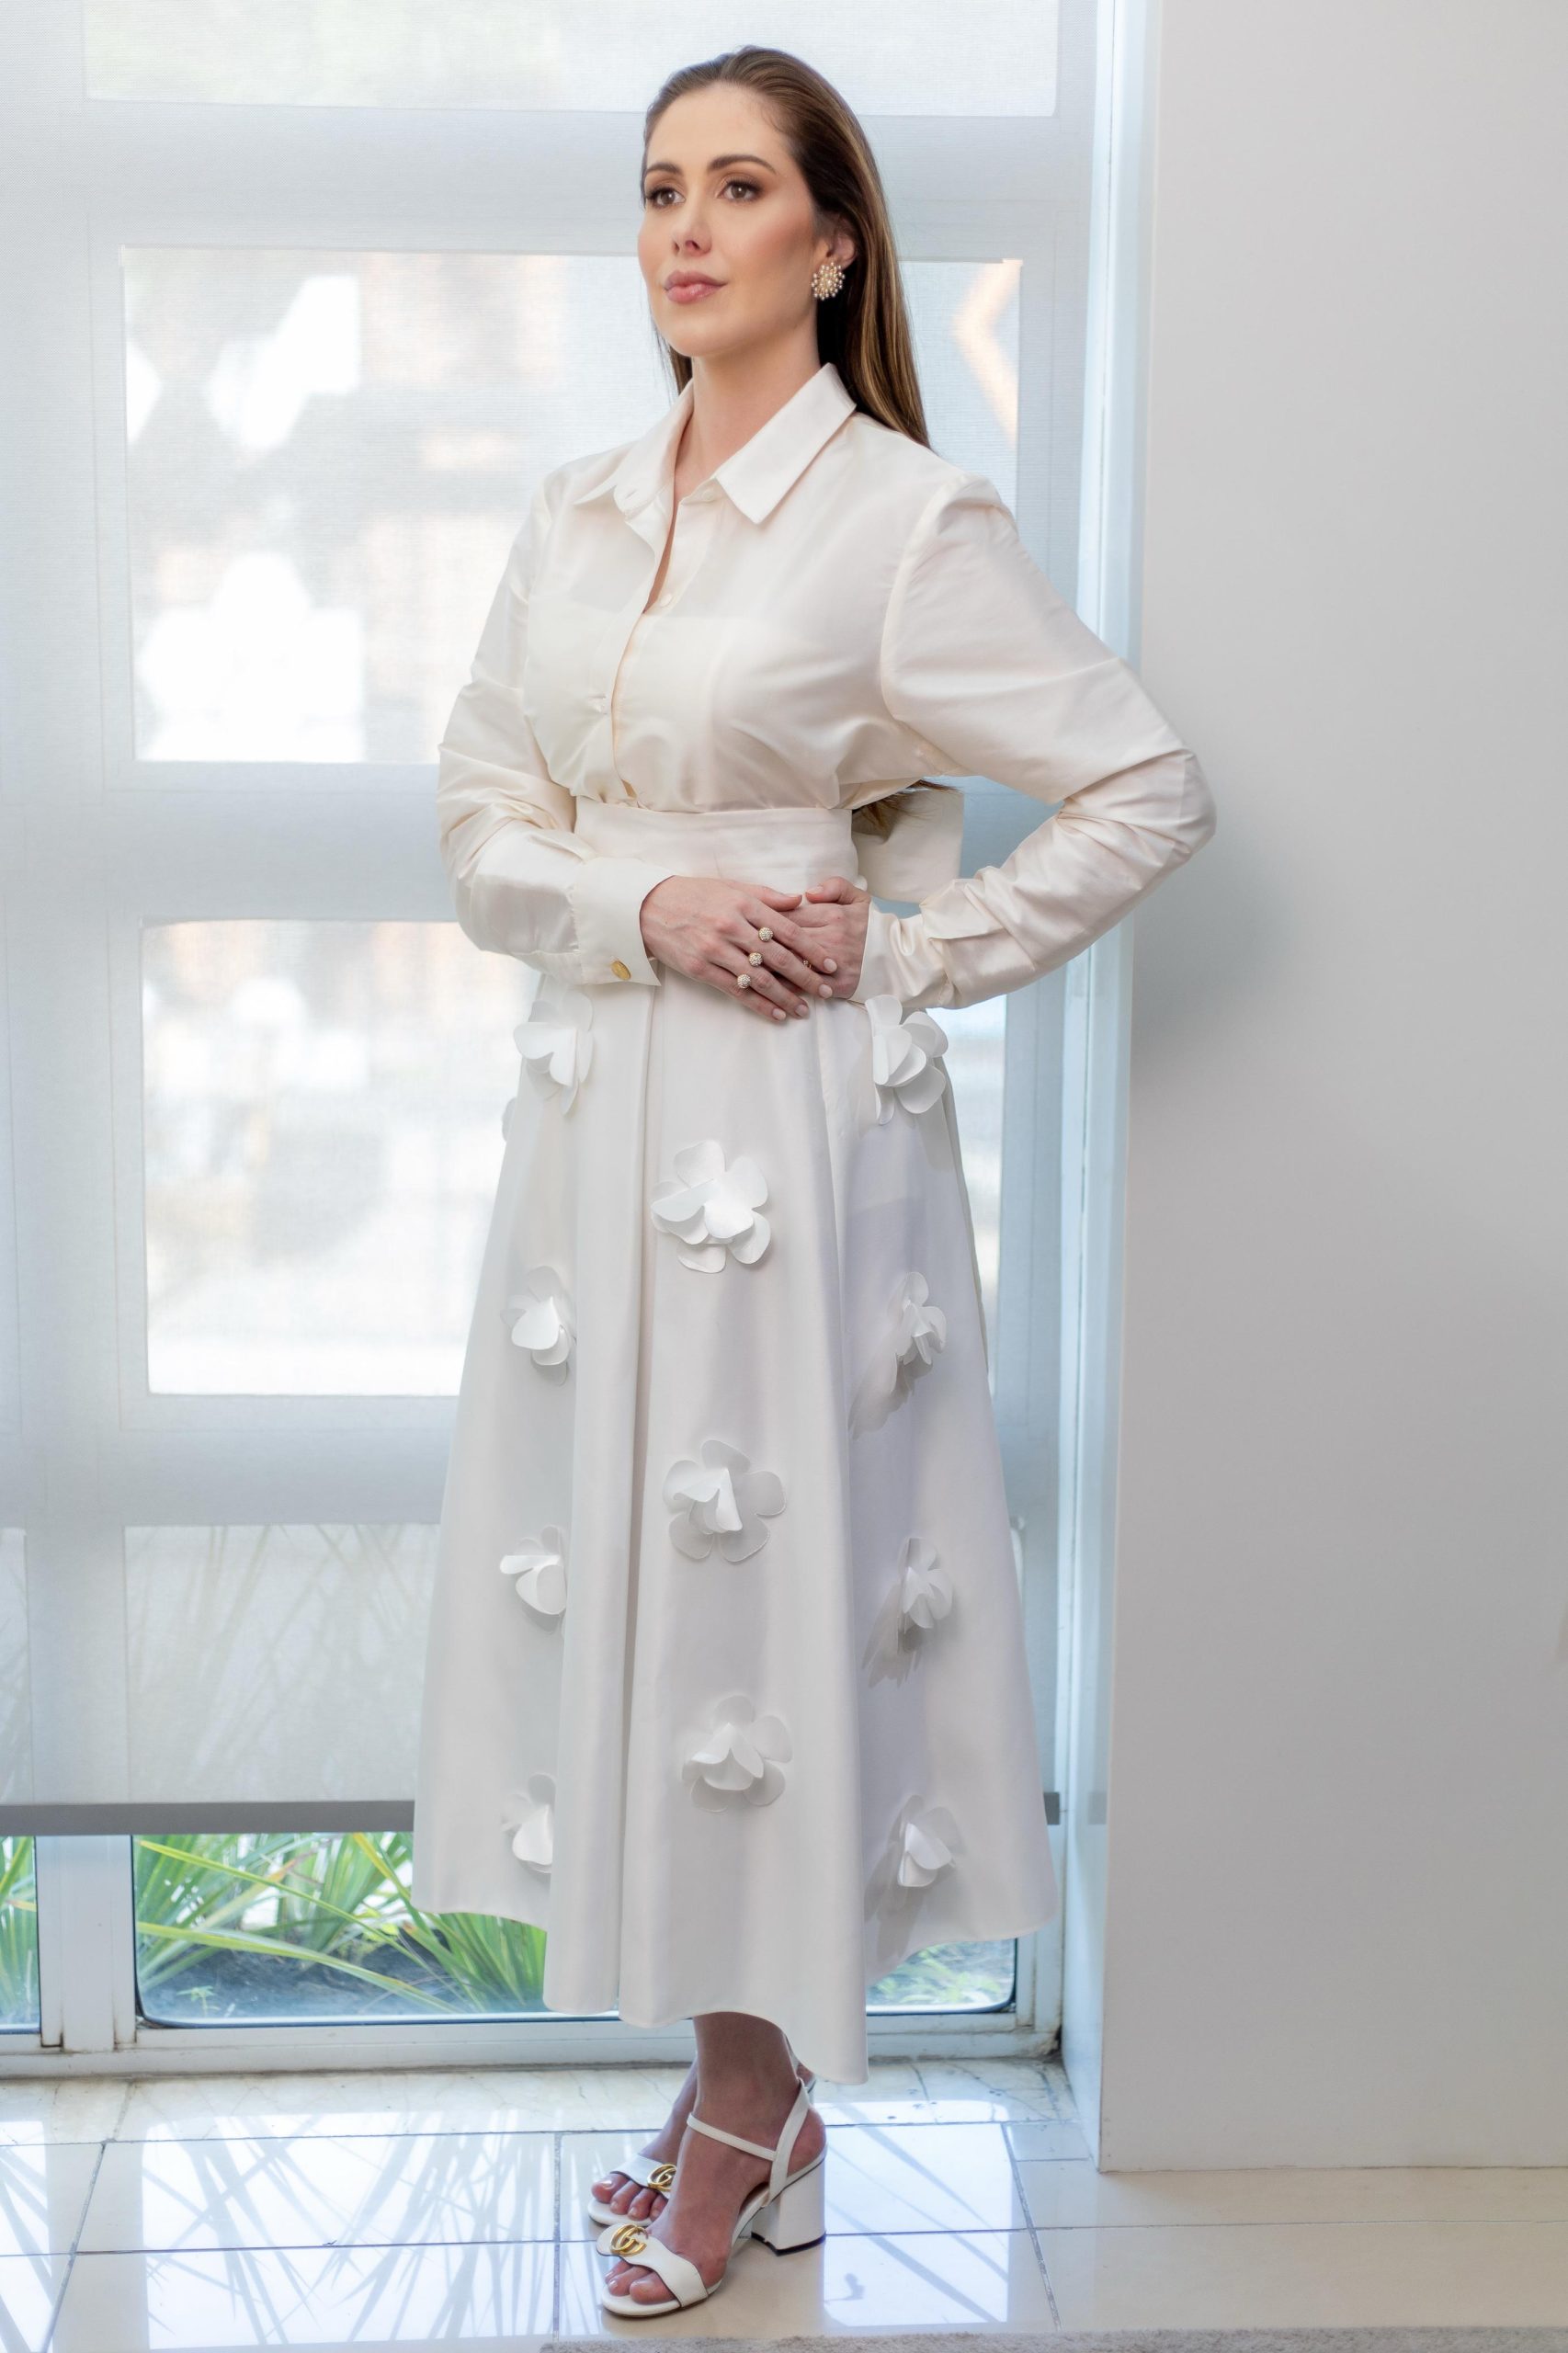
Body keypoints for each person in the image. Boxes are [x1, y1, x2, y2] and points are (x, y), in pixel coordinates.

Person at [410, 43, 1217, 2319]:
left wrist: (912, 951)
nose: (685, 227)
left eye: (739, 187)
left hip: (781, 1122)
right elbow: (479, 816)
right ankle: (734, 2091)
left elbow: (1143, 786)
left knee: (754, 1587)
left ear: (834, 243)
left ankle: (750, 2104)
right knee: (633, 1575)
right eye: (659, 185)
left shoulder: (902, 524)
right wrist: (640, 902)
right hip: (598, 1095)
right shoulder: (579, 505)